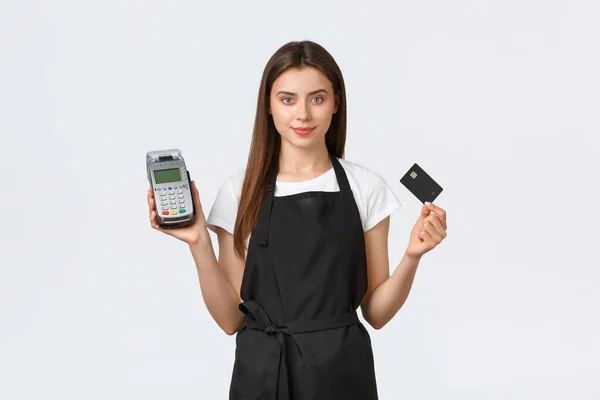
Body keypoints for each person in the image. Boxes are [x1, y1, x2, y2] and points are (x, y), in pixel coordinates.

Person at [147, 40, 448, 400]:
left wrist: (412, 256)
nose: (302, 114)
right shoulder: (239, 193)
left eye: (317, 98)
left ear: (336, 103)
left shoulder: (365, 187)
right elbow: (231, 320)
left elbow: (376, 313)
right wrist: (198, 242)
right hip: (262, 376)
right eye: (287, 99)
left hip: (341, 377)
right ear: (269, 107)